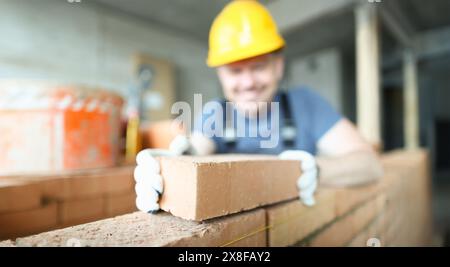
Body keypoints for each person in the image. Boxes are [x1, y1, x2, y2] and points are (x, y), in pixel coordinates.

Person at [134, 0, 383, 213]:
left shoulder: (305, 104)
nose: (248, 82)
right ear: (221, 74)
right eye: (235, 71)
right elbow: (195, 152)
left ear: (278, 66)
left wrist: (317, 171)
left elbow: (369, 166)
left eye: (259, 67)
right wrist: (170, 170)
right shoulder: (215, 113)